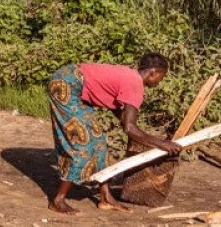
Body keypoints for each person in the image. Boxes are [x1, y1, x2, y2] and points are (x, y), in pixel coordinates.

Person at [47, 52, 181, 215]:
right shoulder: (135, 84)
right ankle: (58, 201)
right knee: (82, 145)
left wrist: (134, 129)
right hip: (66, 84)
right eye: (162, 76)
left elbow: (117, 108)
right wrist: (162, 144)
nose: (160, 81)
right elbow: (130, 128)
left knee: (100, 144)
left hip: (72, 82)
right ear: (154, 72)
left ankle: (106, 197)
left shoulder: (130, 77)